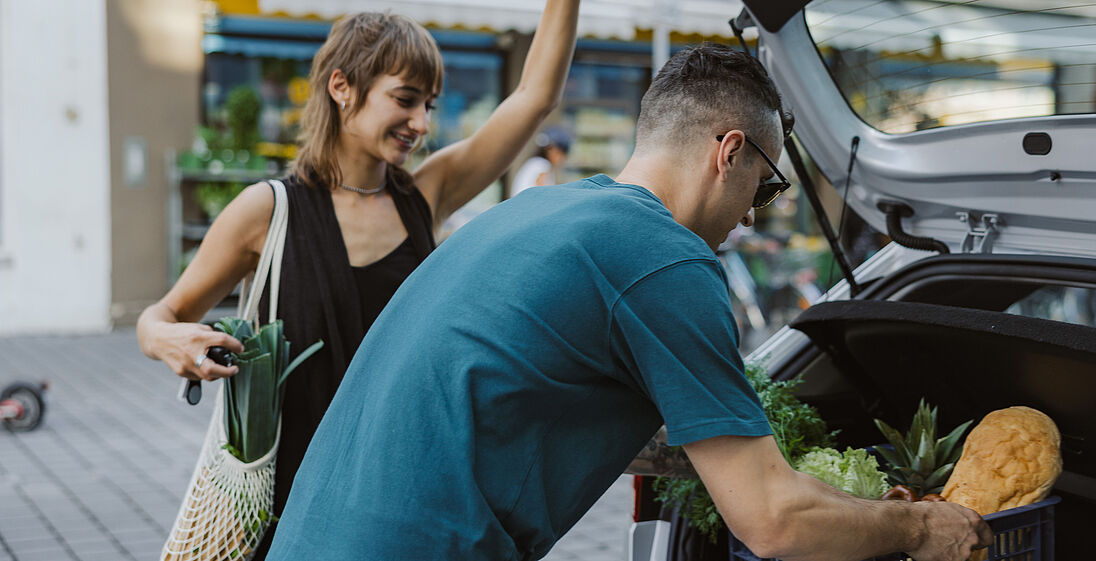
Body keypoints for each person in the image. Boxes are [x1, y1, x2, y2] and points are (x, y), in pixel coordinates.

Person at [266, 44, 991, 561]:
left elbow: (537, 397)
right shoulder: (664, 258)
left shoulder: (541, 213)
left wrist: (848, 505)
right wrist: (922, 530)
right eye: (767, 188)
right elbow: (772, 523)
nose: (751, 217)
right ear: (729, 151)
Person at [135, 4, 579, 558]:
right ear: (342, 86)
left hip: (403, 497)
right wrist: (169, 339)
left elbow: (534, 97)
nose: (421, 123)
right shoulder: (268, 211)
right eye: (405, 98)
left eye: (429, 105)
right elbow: (157, 318)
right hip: (293, 502)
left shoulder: (424, 196)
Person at [509, 126, 572, 197]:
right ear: (552, 150)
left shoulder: (535, 162)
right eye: (561, 154)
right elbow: (541, 194)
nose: (562, 159)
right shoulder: (543, 165)